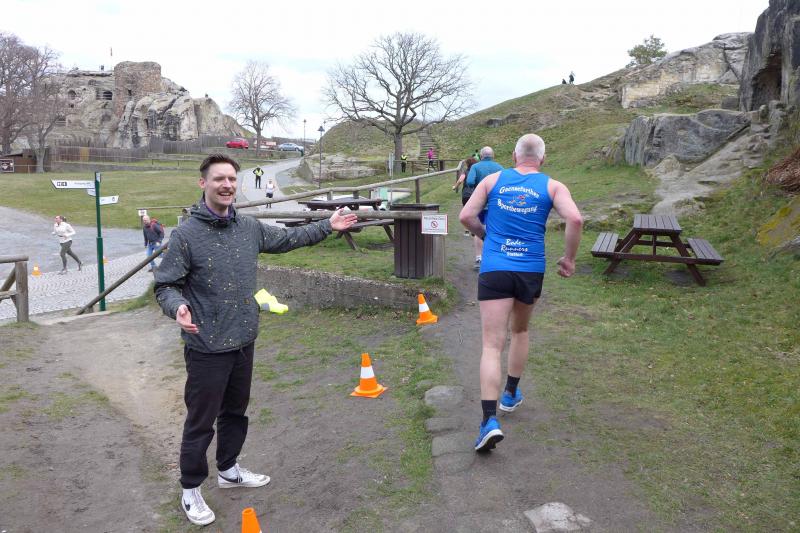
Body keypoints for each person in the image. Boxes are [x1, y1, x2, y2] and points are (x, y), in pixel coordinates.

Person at [154, 154, 357, 526]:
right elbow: (166, 285)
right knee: (201, 421)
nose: (227, 185)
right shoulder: (186, 235)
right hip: (207, 346)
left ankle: (228, 469)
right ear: (203, 183)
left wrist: (327, 225)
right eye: (219, 179)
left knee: (235, 412)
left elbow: (290, 238)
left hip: (244, 339)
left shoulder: (248, 228)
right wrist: (177, 307)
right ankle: (191, 488)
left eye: (232, 179)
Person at [459, 133, 583, 453]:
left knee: (491, 344)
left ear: (514, 156)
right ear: (542, 158)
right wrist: (569, 259)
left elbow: (465, 216)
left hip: (495, 268)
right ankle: (510, 394)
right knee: (520, 330)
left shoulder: (493, 181)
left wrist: (485, 234)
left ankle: (489, 421)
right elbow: (575, 218)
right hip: (530, 269)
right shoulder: (553, 186)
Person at [464, 147, 504, 270]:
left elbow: (470, 182)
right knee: (494, 229)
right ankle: (493, 258)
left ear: (481, 156)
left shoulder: (476, 167)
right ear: (493, 155)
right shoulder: (500, 168)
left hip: (480, 204)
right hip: (495, 204)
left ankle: (479, 258)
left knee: (479, 229)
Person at [452, 157, 479, 236]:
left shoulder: (465, 172)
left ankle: (466, 230)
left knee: (466, 212)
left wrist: (455, 187)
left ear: (467, 164)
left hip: (466, 195)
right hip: (475, 195)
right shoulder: (477, 172)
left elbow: (460, 180)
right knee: (474, 212)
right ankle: (474, 230)